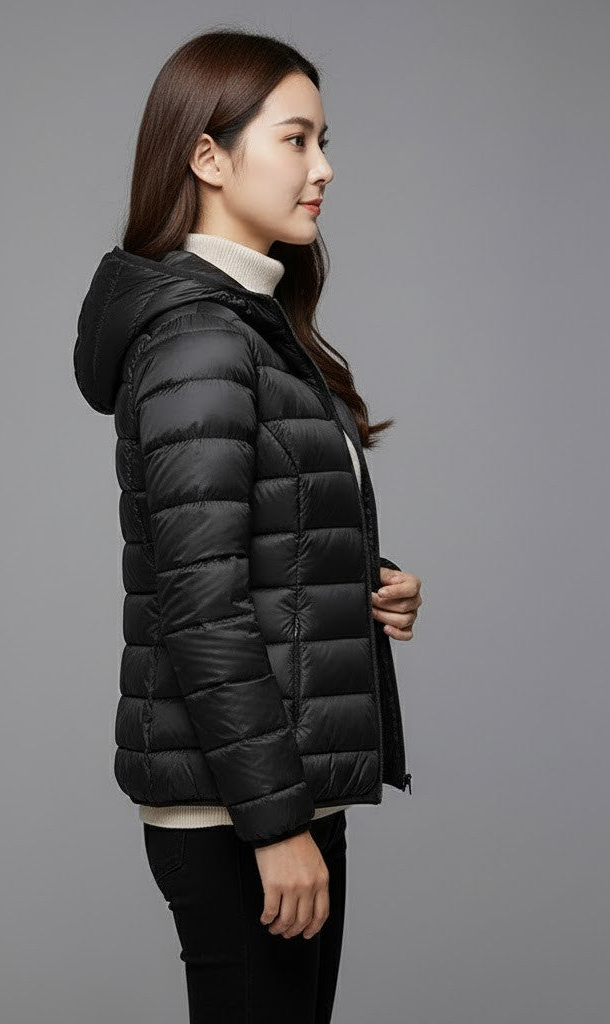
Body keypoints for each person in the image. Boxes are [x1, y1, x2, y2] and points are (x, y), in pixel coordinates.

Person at [73, 28, 423, 1024]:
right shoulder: (199, 337)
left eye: (323, 142)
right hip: (243, 808)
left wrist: (362, 580)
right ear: (209, 157)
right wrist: (273, 826)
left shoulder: (249, 323)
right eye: (296, 139)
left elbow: (254, 535)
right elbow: (201, 603)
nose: (324, 169)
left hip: (277, 787)